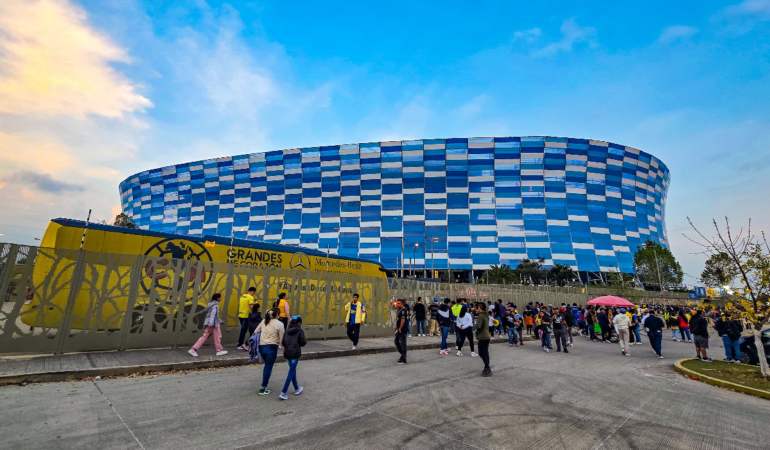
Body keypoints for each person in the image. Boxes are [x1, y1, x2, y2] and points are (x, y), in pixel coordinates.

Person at [256, 308, 285, 395]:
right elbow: (282, 338)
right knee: (269, 367)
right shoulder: (280, 324)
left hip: (261, 346)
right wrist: (283, 347)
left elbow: (256, 331)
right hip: (272, 347)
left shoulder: (264, 321)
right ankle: (263, 387)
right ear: (276, 315)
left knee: (266, 366)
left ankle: (264, 386)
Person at [279, 315, 307, 400]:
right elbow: (303, 342)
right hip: (295, 354)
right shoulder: (300, 330)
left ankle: (297, 388)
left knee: (292, 371)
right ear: (299, 323)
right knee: (291, 373)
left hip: (287, 354)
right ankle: (283, 392)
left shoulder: (287, 331)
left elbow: (283, 342)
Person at [474, 303, 493, 376]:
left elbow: (479, 325)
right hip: (486, 335)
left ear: (479, 307)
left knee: (481, 352)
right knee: (485, 352)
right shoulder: (486, 314)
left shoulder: (481, 315)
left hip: (483, 336)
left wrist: (474, 327)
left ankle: (487, 367)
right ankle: (486, 366)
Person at [393, 299, 408, 364]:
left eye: (398, 303)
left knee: (402, 343)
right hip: (399, 330)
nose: (397, 304)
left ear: (401, 304)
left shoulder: (403, 311)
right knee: (396, 341)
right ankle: (402, 355)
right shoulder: (400, 310)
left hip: (402, 330)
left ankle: (403, 359)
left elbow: (403, 320)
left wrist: (400, 328)